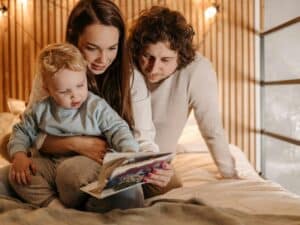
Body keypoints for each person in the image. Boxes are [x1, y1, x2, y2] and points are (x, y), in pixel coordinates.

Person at [0, 0, 177, 211]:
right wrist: (76, 143)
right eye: (92, 48)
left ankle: (94, 199)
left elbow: (140, 138)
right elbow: (31, 128)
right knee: (9, 150)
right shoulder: (52, 73)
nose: (103, 59)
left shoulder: (126, 81)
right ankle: (65, 203)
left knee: (165, 180)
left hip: (102, 159)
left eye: (112, 48)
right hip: (56, 155)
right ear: (74, 41)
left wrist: (145, 164)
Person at [7, 42, 141, 208]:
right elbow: (21, 131)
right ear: (47, 89)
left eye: (80, 85)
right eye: (64, 91)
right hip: (50, 163)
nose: (75, 95)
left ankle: (92, 204)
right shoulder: (40, 109)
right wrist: (19, 156)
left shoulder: (96, 106)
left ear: (85, 77)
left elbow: (118, 128)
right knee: (16, 175)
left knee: (72, 174)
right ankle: (53, 205)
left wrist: (129, 153)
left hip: (85, 163)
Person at [128, 6, 237, 178]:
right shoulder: (128, 63)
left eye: (165, 60)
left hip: (156, 166)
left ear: (181, 57)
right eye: (147, 56)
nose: (153, 68)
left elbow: (212, 129)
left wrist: (231, 175)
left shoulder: (198, 70)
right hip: (119, 155)